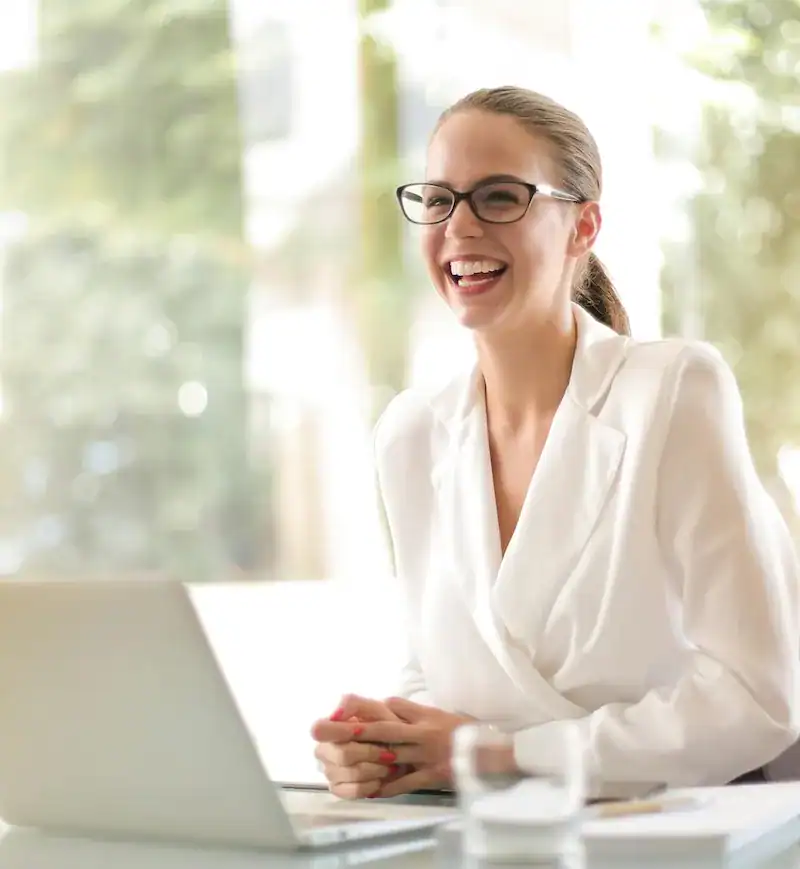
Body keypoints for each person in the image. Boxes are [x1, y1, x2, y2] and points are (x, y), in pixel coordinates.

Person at [311, 86, 800, 800]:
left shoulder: (670, 391)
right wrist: (384, 745)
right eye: (439, 199)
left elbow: (759, 696)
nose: (460, 227)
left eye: (500, 197)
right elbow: (435, 673)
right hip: (493, 834)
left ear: (583, 226)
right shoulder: (411, 435)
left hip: (671, 830)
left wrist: (496, 752)